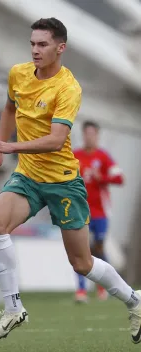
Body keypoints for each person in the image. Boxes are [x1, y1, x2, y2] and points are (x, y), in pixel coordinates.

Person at [0, 17, 141, 344]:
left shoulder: (68, 88)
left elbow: (56, 140)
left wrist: (10, 145)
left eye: (42, 45)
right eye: (32, 44)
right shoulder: (18, 74)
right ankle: (13, 308)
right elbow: (10, 109)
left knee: (82, 263)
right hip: (27, 175)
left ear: (60, 47)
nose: (35, 50)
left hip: (62, 182)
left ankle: (135, 301)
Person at [73, 121, 124, 303]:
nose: (89, 137)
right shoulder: (75, 156)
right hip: (79, 210)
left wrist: (101, 177)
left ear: (97, 135)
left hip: (100, 211)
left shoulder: (103, 157)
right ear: (83, 135)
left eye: (92, 134)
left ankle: (104, 286)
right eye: (86, 133)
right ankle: (81, 290)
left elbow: (119, 178)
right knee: (80, 249)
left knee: (99, 247)